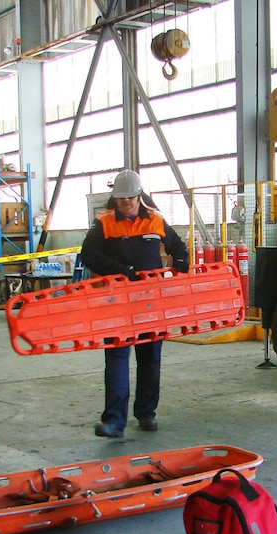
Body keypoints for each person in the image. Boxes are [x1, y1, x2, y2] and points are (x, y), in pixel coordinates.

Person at [80, 169, 189, 438]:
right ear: (115, 198)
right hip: (116, 301)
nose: (126, 203)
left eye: (130, 198)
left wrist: (182, 260)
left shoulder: (155, 220)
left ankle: (146, 413)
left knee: (150, 357)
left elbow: (177, 245)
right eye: (121, 199)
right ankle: (114, 422)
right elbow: (88, 254)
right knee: (117, 357)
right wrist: (120, 270)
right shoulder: (103, 223)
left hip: (149, 302)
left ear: (139, 195)